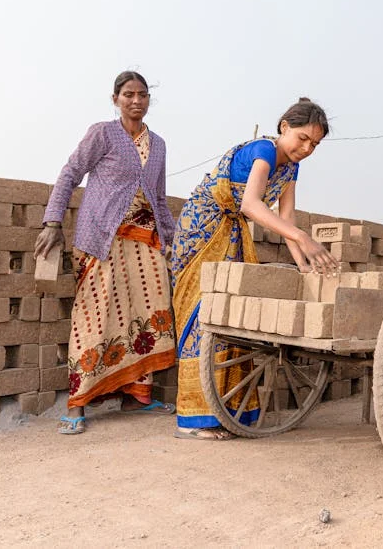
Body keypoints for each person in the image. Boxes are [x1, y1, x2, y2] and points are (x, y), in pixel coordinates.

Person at [170, 97, 339, 440]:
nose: (306, 148)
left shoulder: (291, 168)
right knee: (206, 313)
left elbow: (286, 218)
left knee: (234, 315)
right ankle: (194, 419)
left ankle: (228, 413)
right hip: (202, 228)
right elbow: (251, 204)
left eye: (315, 144)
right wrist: (302, 238)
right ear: (284, 128)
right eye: (302, 139)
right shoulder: (263, 150)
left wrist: (305, 267)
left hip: (233, 231)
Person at [37, 71, 177, 435]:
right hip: (101, 236)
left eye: (143, 95)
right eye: (128, 94)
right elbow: (70, 173)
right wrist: (52, 222)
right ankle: (77, 404)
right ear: (115, 99)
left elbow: (159, 197)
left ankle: (137, 396)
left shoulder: (158, 144)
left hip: (146, 241)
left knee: (150, 312)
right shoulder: (102, 132)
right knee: (93, 316)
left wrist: (172, 241)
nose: (136, 101)